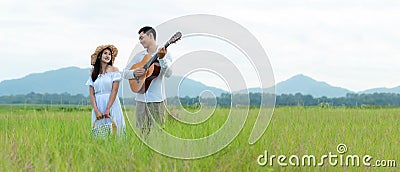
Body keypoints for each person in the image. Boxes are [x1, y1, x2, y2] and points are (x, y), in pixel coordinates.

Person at [126, 26, 172, 136]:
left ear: (150, 35)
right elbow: (124, 73)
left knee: (158, 133)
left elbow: (169, 74)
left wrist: (162, 59)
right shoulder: (139, 56)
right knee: (142, 134)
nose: (140, 41)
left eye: (142, 38)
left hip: (157, 99)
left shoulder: (165, 54)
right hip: (141, 100)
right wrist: (134, 73)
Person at [86, 45, 127, 136]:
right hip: (98, 103)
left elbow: (114, 90)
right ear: (100, 55)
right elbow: (92, 94)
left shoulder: (114, 70)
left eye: (110, 54)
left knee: (115, 129)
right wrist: (96, 110)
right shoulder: (93, 73)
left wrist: (108, 108)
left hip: (112, 102)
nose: (108, 56)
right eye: (105, 53)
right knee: (100, 131)